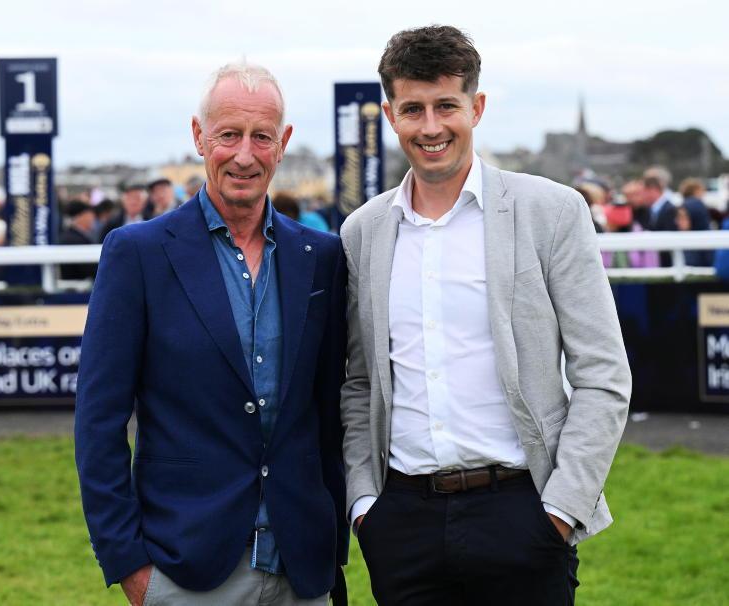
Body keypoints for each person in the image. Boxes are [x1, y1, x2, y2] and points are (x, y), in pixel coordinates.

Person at [339, 25, 631, 605]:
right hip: (402, 524)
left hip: (524, 513)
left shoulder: (551, 211)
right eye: (413, 109)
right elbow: (359, 382)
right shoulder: (362, 231)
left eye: (446, 105)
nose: (431, 127)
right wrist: (365, 504)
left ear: (477, 107)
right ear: (390, 115)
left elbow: (603, 374)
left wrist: (561, 510)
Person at [75, 62, 348, 606]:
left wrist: (333, 545)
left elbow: (328, 413)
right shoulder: (139, 254)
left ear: (283, 143)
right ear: (199, 136)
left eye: (261, 136)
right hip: (186, 570)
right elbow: (98, 420)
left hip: (301, 569)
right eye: (229, 134)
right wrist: (128, 564)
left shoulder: (320, 256)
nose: (244, 155)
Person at [59, 200, 98, 280]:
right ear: (80, 216)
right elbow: (90, 270)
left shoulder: (71, 236)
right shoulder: (73, 240)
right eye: (90, 215)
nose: (93, 218)